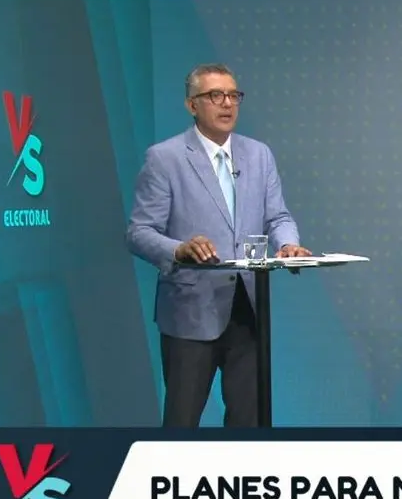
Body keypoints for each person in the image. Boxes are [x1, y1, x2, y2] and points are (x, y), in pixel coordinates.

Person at [126, 63, 311, 430]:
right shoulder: (165, 158)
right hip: (191, 312)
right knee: (182, 420)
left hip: (248, 308)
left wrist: (289, 244)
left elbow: (278, 216)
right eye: (215, 95)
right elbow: (139, 232)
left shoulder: (259, 155)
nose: (227, 104)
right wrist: (179, 249)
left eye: (233, 95)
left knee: (249, 420)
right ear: (192, 105)